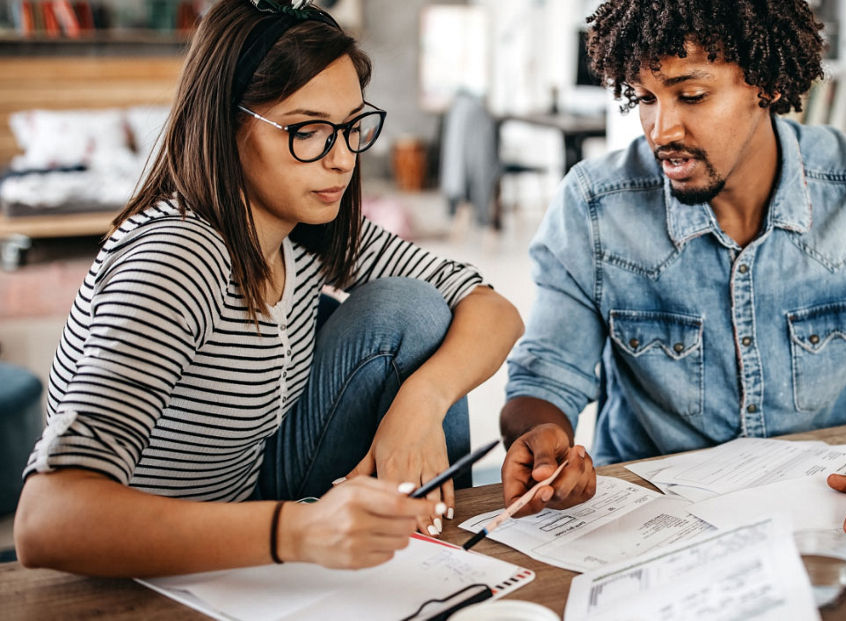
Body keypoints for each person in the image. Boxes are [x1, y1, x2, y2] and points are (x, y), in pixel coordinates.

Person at [15, 0, 523, 576]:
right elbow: (44, 520)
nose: (342, 161)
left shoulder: (308, 229)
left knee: (417, 311)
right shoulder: (176, 258)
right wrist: (299, 530)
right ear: (225, 123)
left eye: (353, 128)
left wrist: (421, 401)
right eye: (307, 132)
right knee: (410, 310)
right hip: (153, 558)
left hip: (254, 498)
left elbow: (493, 308)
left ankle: (432, 570)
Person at [498, 0, 846, 539]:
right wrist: (544, 439)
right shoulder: (595, 206)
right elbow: (544, 380)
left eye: (691, 95)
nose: (661, 130)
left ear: (766, 85)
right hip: (652, 523)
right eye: (645, 99)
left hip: (833, 519)